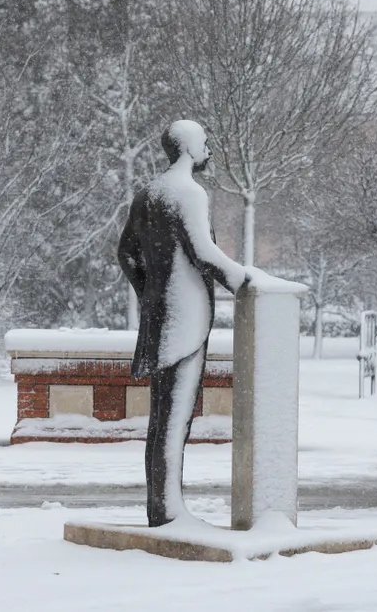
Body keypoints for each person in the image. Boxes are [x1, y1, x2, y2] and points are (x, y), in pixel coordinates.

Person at [118, 120, 249, 527]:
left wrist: (150, 291)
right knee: (176, 420)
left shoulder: (147, 194)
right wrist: (244, 280)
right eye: (205, 144)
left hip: (160, 315)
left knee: (161, 420)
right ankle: (169, 511)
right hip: (187, 320)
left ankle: (160, 507)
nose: (209, 150)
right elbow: (203, 252)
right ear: (190, 148)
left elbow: (126, 254)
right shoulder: (189, 193)